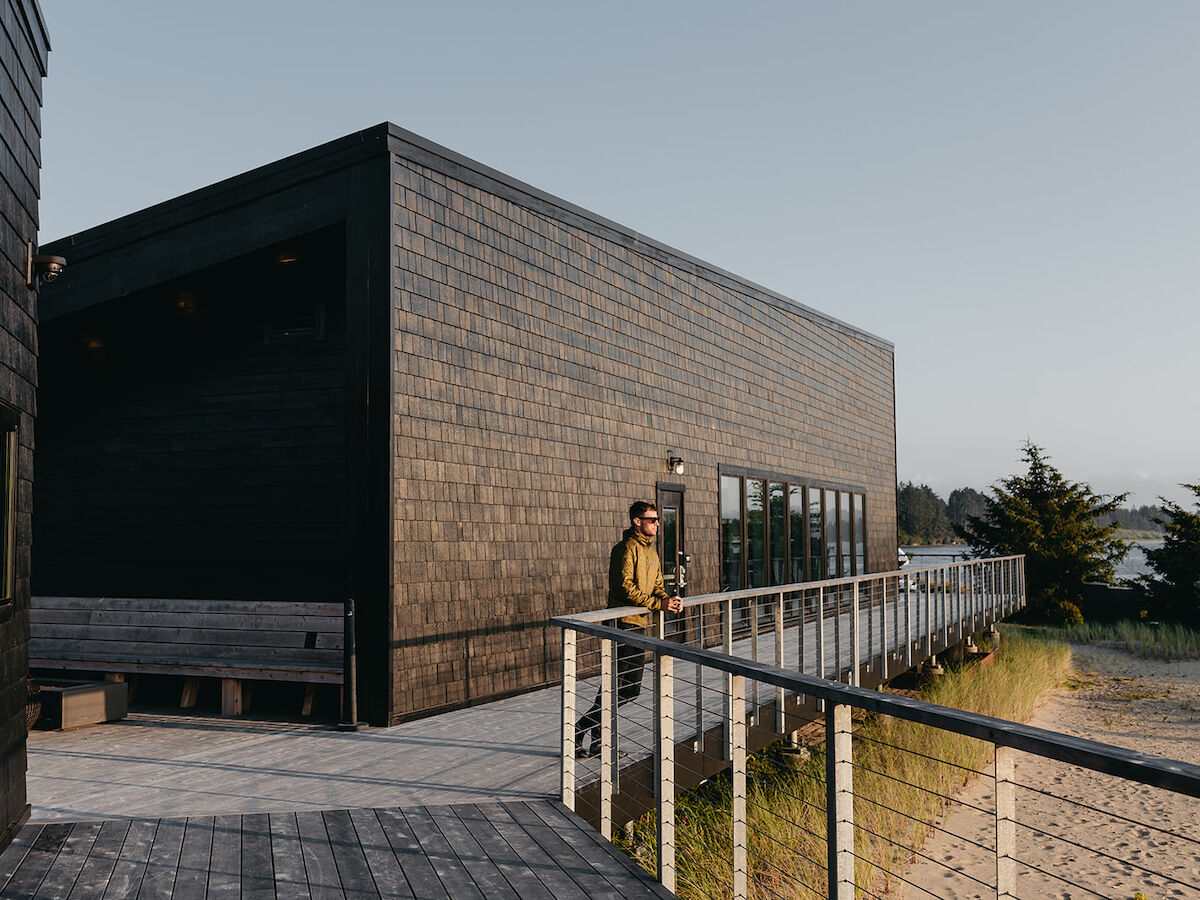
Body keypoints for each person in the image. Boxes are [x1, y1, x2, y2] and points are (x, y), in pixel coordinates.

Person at [575, 500, 684, 758]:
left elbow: (656, 586)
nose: (658, 523)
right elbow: (625, 588)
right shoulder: (624, 549)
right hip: (620, 624)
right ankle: (588, 735)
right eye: (652, 519)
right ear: (637, 521)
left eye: (657, 519)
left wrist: (668, 600)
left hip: (638, 625)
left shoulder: (651, 552)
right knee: (615, 685)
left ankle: (586, 732)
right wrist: (657, 603)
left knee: (629, 689)